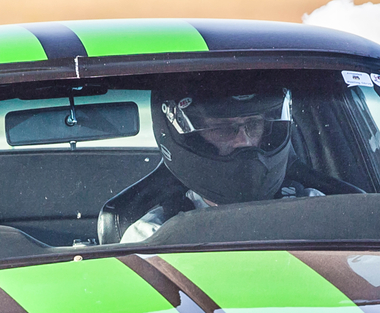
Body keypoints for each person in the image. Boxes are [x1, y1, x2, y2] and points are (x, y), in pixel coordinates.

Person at [117, 80, 348, 243]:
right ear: (193, 139)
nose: (244, 142)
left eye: (253, 125)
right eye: (223, 129)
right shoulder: (152, 235)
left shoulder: (316, 210)